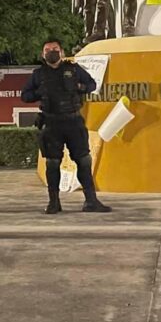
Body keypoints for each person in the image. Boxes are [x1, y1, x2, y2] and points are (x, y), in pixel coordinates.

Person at [20, 38, 112, 214]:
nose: (51, 52)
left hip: (73, 121)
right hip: (51, 122)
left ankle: (91, 201)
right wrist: (41, 92)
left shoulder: (73, 69)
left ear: (61, 52)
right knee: (53, 163)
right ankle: (54, 202)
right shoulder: (38, 74)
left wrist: (78, 86)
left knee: (84, 160)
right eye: (47, 50)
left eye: (55, 49)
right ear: (42, 54)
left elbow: (92, 85)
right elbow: (25, 96)